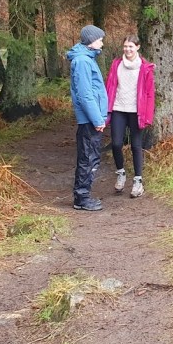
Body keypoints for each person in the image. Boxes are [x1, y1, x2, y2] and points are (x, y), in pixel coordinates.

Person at [105, 34, 155, 198]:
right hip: (118, 108)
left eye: (131, 46)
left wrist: (148, 115)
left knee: (136, 145)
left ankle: (138, 181)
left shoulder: (145, 67)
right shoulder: (116, 64)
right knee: (116, 143)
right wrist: (106, 107)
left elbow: (149, 93)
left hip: (136, 111)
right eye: (125, 46)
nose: (127, 49)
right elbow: (110, 85)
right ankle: (121, 173)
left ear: (137, 47)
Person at [66, 25, 108, 211]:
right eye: (100, 39)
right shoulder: (82, 61)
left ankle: (82, 195)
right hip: (89, 119)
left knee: (90, 156)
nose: (102, 43)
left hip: (91, 118)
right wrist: (97, 119)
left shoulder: (87, 58)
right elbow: (85, 94)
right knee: (88, 157)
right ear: (91, 40)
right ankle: (81, 198)